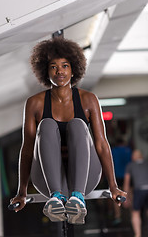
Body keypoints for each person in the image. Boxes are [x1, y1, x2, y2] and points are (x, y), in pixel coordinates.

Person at [10, 37, 126, 225]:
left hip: (85, 177)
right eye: (53, 67)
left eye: (65, 66)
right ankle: (56, 198)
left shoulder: (88, 99)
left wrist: (114, 186)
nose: (59, 71)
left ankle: (78, 199)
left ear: (73, 70)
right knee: (46, 125)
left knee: (77, 125)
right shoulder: (35, 103)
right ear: (45, 72)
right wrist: (21, 192)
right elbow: (27, 149)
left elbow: (101, 143)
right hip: (48, 182)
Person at [123, 149, 148, 237]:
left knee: (135, 212)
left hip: (139, 190)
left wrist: (125, 197)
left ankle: (137, 234)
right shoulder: (146, 163)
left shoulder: (130, 165)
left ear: (133, 157)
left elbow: (127, 182)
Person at [111, 138, 131, 225]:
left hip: (116, 177)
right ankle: (131, 214)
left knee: (116, 197)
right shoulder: (128, 150)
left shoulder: (113, 150)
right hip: (128, 176)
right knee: (129, 195)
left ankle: (118, 216)